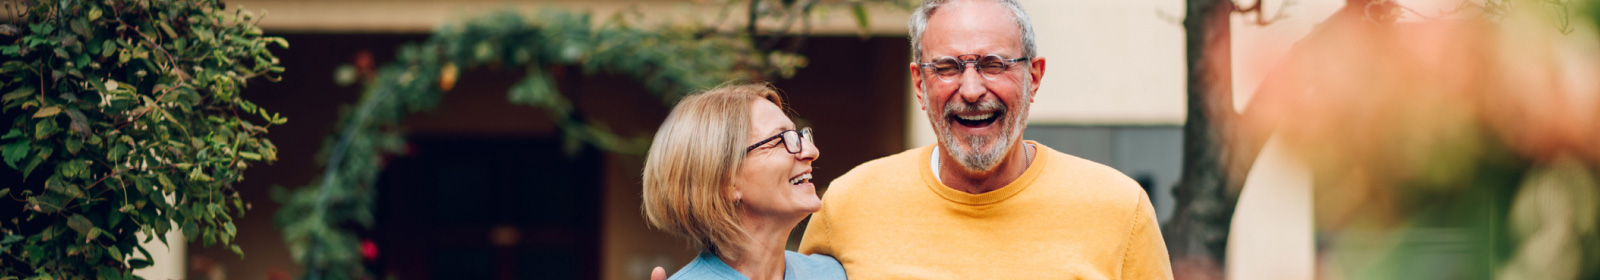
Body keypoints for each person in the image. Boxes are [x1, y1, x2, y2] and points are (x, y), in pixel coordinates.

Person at [793, 0, 1175, 279]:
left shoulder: (1120, 209)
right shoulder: (848, 204)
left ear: (1034, 78)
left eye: (994, 65)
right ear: (919, 84)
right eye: (947, 67)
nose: (972, 89)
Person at [640, 83, 846, 280]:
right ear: (725, 182)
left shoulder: (836, 274)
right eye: (781, 139)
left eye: (800, 136)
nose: (811, 151)